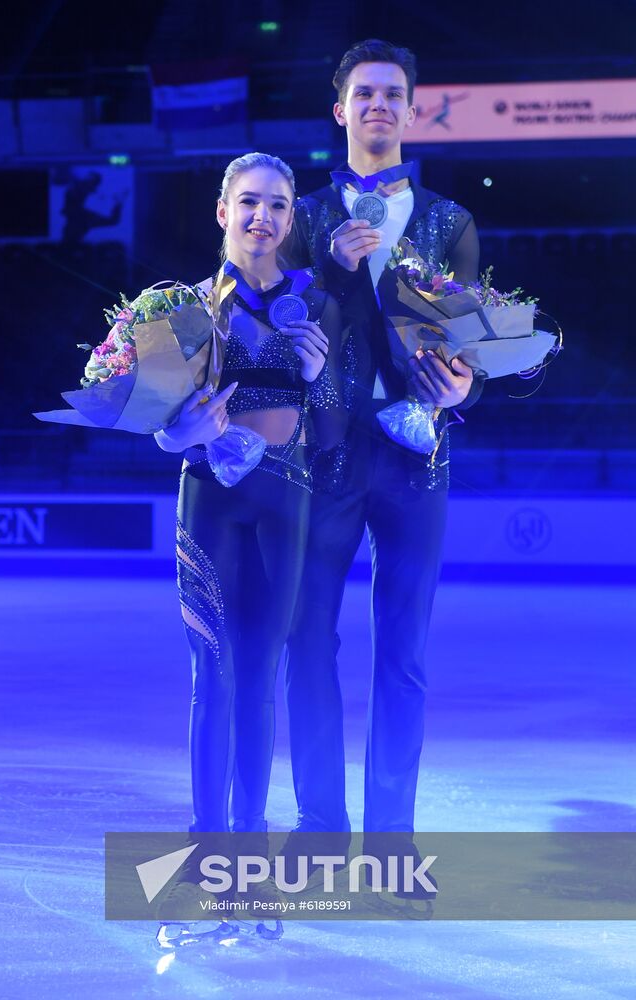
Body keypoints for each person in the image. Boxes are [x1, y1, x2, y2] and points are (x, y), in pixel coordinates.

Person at [284, 40, 483, 860]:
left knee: (402, 656)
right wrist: (331, 270)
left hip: (415, 459)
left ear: (412, 110)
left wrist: (464, 391)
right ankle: (320, 830)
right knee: (307, 645)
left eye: (392, 93)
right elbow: (282, 333)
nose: (378, 105)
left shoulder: (449, 221)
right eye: (364, 93)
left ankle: (391, 843)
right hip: (323, 455)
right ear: (341, 109)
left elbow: (471, 343)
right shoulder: (302, 217)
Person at [154, 152, 346, 851]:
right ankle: (209, 845)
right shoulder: (186, 311)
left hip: (285, 506)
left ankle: (248, 847)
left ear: (291, 220)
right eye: (249, 201)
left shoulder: (317, 307)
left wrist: (319, 376)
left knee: (261, 673)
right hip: (208, 500)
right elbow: (161, 427)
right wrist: (181, 432)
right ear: (223, 211)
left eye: (277, 205)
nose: (262, 216)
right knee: (213, 671)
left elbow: (332, 436)